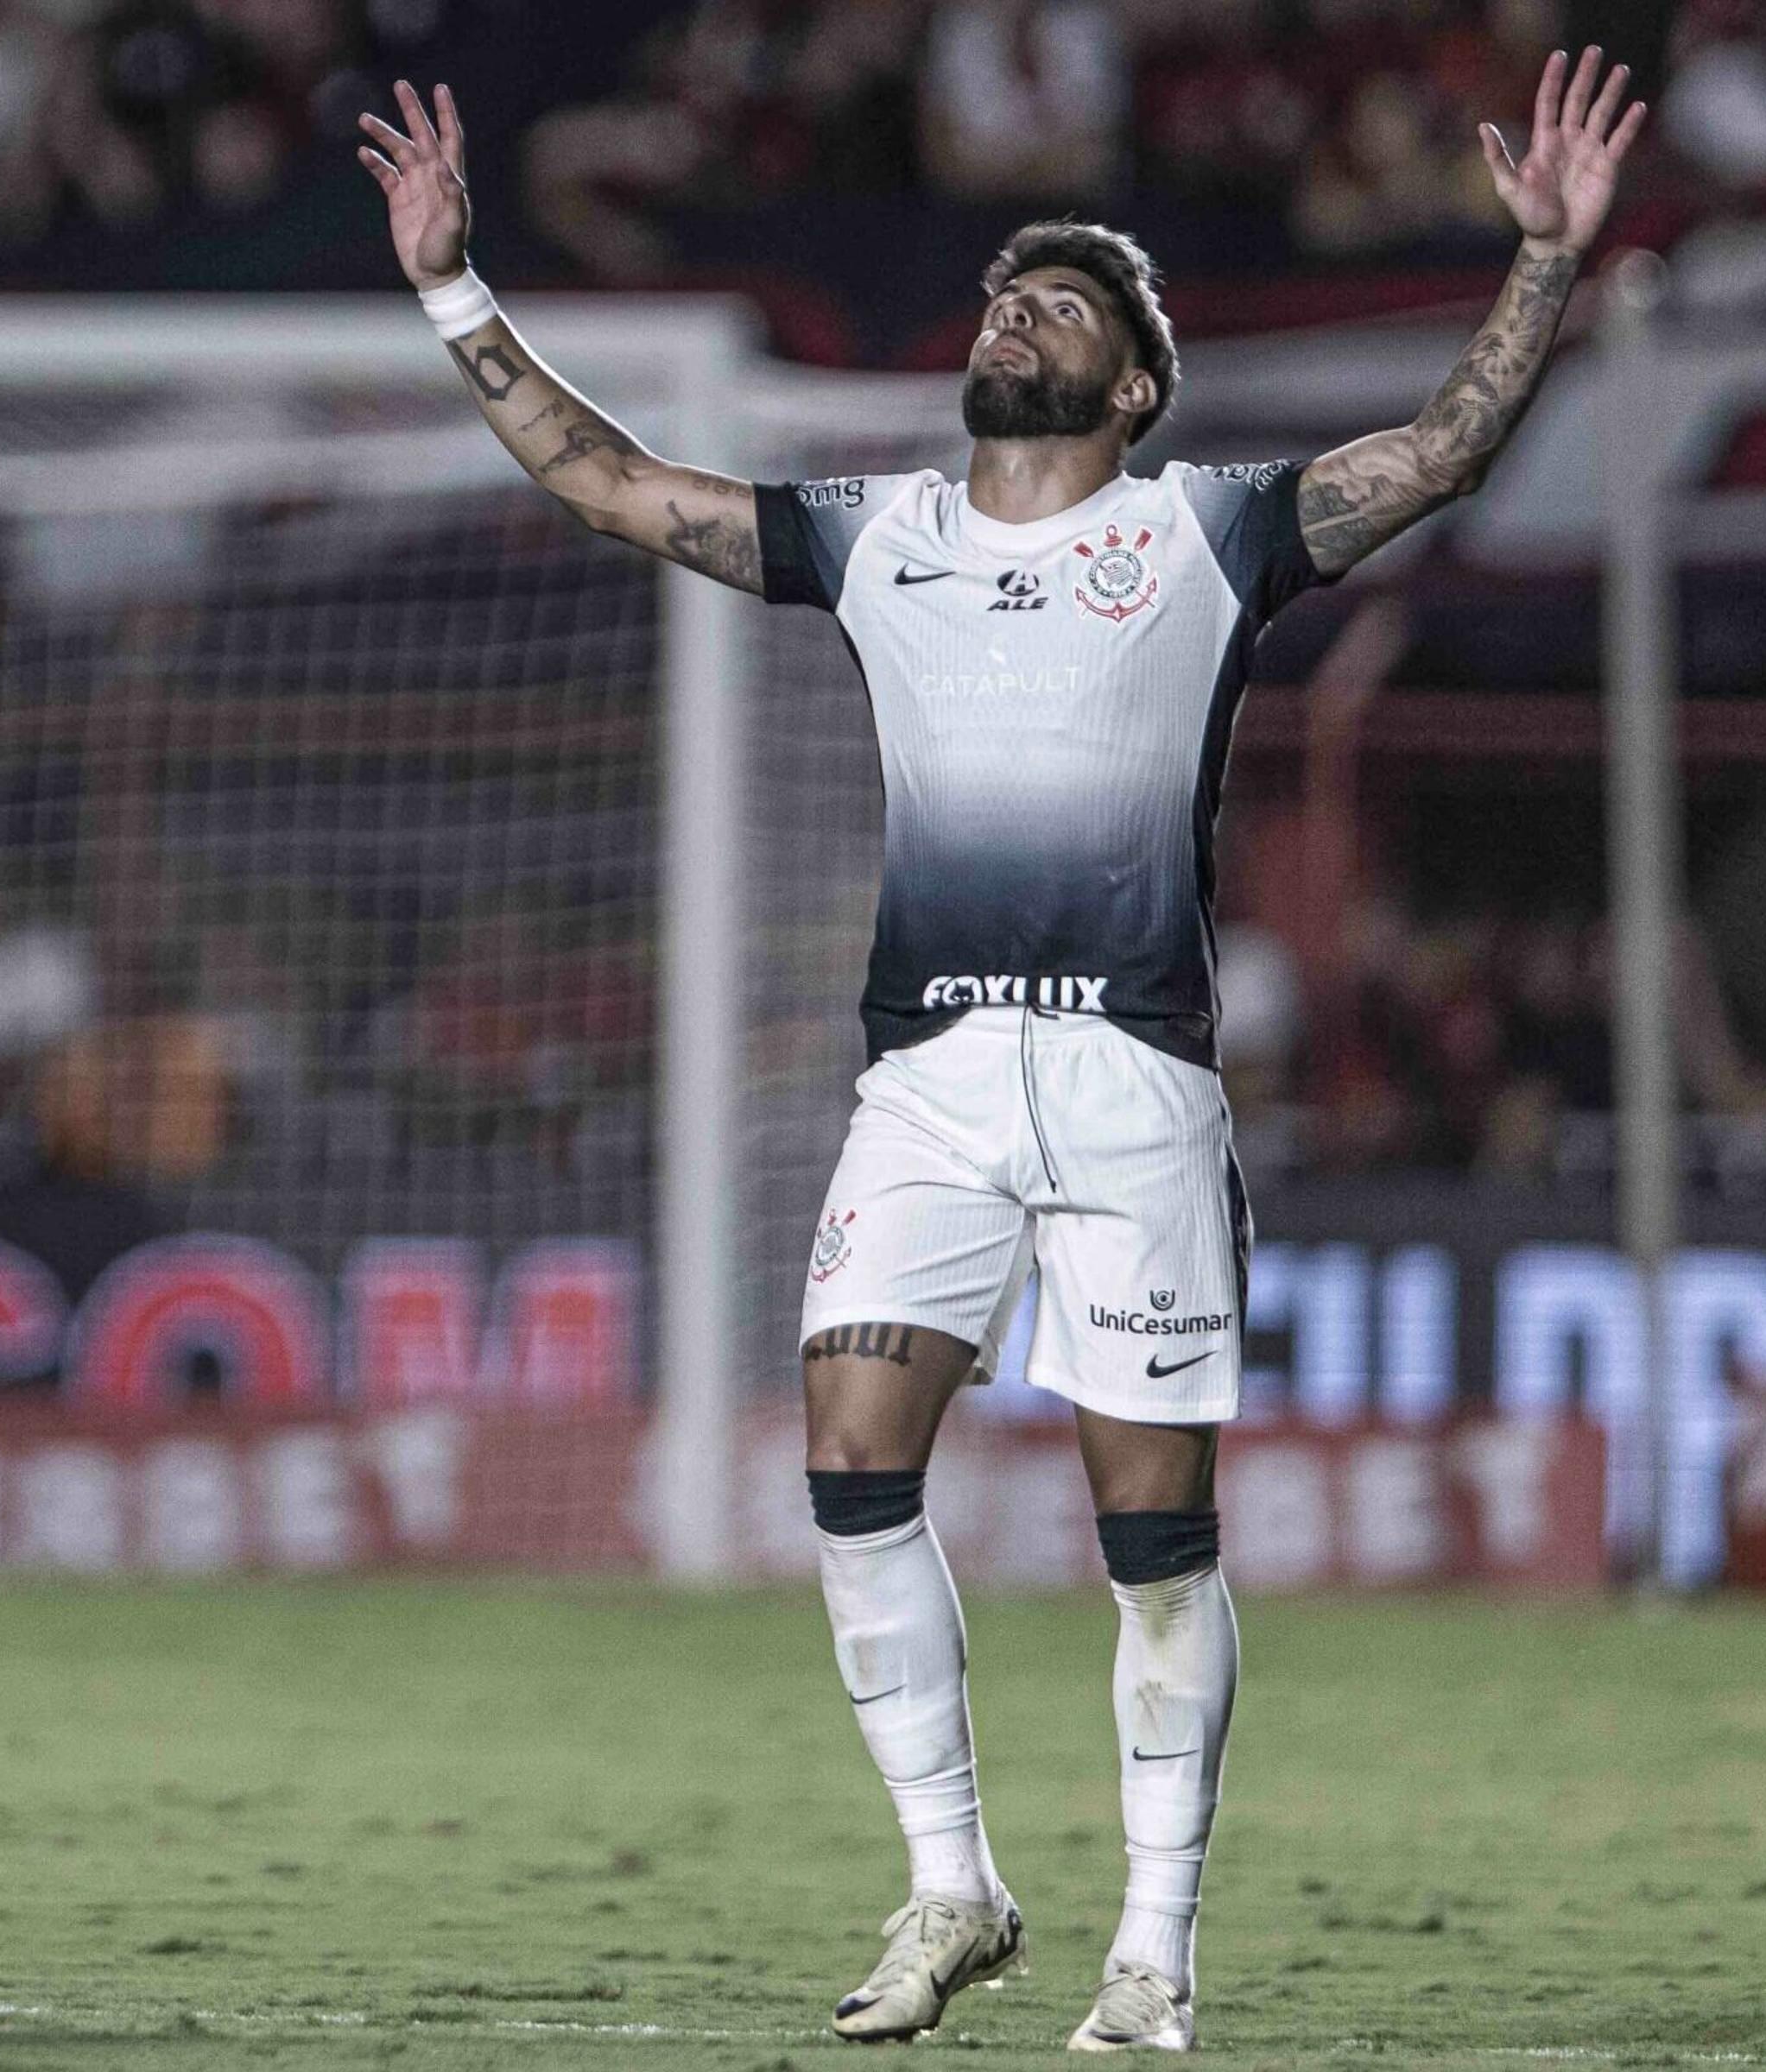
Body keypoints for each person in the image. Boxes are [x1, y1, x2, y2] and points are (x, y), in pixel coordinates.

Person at [359, 48, 1645, 2054]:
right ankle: (955, 1888)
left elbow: (1443, 454)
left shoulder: (1212, 531)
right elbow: (613, 483)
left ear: (1133, 386)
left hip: (1132, 1087)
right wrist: (456, 290)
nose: (1012, 313)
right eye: (1002, 297)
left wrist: (1544, 267)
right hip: (933, 1087)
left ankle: (1158, 1955)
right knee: (853, 1470)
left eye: (1063, 306)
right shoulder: (875, 536)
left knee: (1155, 1547)